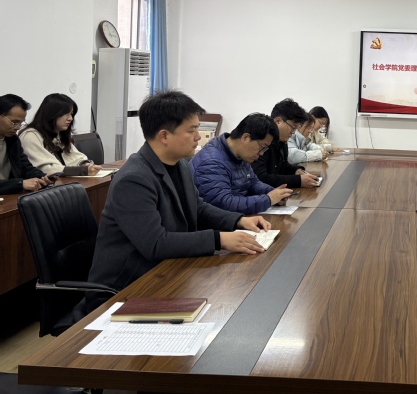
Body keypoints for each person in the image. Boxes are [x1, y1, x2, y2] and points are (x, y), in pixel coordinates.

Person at [85, 90, 271, 307]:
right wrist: (219, 239)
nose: (198, 136)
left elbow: (198, 208)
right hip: (125, 290)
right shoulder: (133, 179)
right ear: (164, 136)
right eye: (191, 130)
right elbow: (156, 243)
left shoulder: (180, 164)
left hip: (166, 272)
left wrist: (238, 220)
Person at [190, 113, 293, 214]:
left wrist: (272, 192)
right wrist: (268, 199)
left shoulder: (240, 155)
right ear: (245, 138)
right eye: (262, 147)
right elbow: (223, 203)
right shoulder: (211, 163)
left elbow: (252, 183)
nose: (262, 153)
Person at [20, 93, 100, 176]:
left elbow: (75, 157)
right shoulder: (30, 136)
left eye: (71, 114)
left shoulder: (59, 134)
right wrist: (81, 170)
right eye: (66, 114)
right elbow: (45, 168)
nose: (70, 118)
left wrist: (86, 165)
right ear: (52, 113)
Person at [252, 99, 319, 189]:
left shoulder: (282, 141)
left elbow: (283, 166)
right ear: (278, 121)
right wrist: (298, 181)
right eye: (293, 127)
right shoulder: (261, 140)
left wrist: (297, 171)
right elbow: (261, 178)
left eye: (296, 129)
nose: (293, 132)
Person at [0, 94, 55, 194]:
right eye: (14, 122)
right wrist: (19, 184)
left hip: (9, 195)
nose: (17, 127)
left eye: (20, 123)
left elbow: (25, 168)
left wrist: (43, 176)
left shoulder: (12, 140)